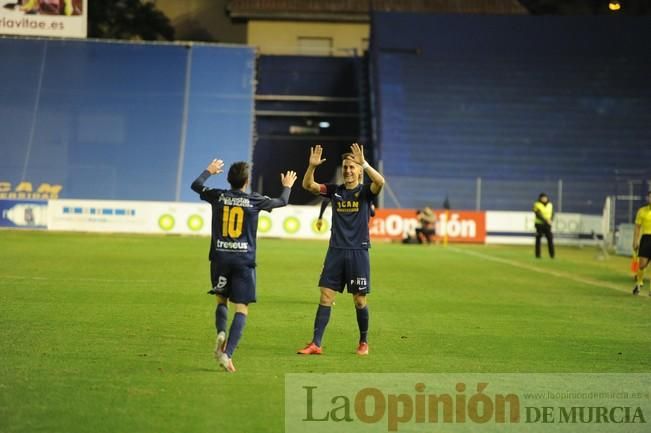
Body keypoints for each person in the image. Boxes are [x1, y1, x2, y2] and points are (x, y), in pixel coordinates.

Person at [191, 158, 297, 372]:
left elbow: (196, 186)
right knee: (242, 308)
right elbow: (282, 202)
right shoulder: (254, 200)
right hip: (243, 261)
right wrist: (287, 187)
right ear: (247, 181)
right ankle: (227, 353)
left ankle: (221, 331)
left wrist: (208, 171)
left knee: (221, 300)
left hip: (220, 258)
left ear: (229, 180)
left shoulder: (218, 196)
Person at [297, 143, 385, 356]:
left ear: (358, 171)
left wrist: (364, 163)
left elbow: (380, 182)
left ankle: (363, 342)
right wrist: (311, 167)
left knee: (359, 299)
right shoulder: (335, 191)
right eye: (345, 167)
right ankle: (316, 343)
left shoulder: (365, 192)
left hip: (358, 252)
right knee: (326, 296)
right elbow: (308, 185)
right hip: (335, 251)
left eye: (352, 167)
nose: (347, 170)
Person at [632, 191, 651, 295]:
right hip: (646, 238)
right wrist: (635, 240)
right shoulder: (642, 211)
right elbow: (637, 227)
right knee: (642, 265)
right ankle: (639, 283)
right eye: (650, 197)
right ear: (648, 199)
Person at [533, 193, 554, 259]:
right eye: (543, 198)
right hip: (539, 225)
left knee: (550, 239)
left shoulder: (550, 205)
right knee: (538, 239)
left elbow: (552, 213)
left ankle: (552, 255)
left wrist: (551, 220)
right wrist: (546, 220)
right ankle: (538, 255)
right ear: (540, 198)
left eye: (545, 197)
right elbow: (538, 214)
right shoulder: (536, 204)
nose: (544, 199)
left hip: (548, 225)